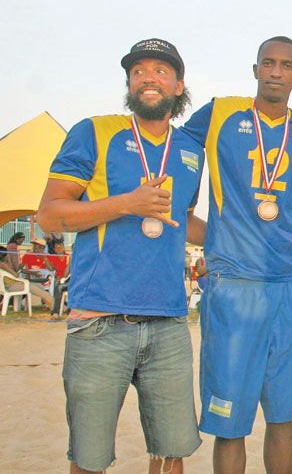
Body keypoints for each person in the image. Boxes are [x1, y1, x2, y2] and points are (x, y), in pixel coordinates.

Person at [36, 37, 203, 473]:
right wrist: (127, 204)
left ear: (178, 86)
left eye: (161, 71)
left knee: (171, 453)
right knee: (89, 457)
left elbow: (183, 219)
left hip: (169, 320)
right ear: (129, 83)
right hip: (99, 320)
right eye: (138, 71)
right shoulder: (94, 131)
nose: (148, 78)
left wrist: (241, 239)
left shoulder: (191, 150)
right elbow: (49, 215)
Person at [183, 36, 292, 474]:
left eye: (286, 65)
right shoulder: (219, 113)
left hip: (289, 283)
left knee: (283, 414)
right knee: (229, 423)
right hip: (233, 285)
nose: (276, 72)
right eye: (268, 63)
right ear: (256, 68)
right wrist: (197, 219)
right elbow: (174, 155)